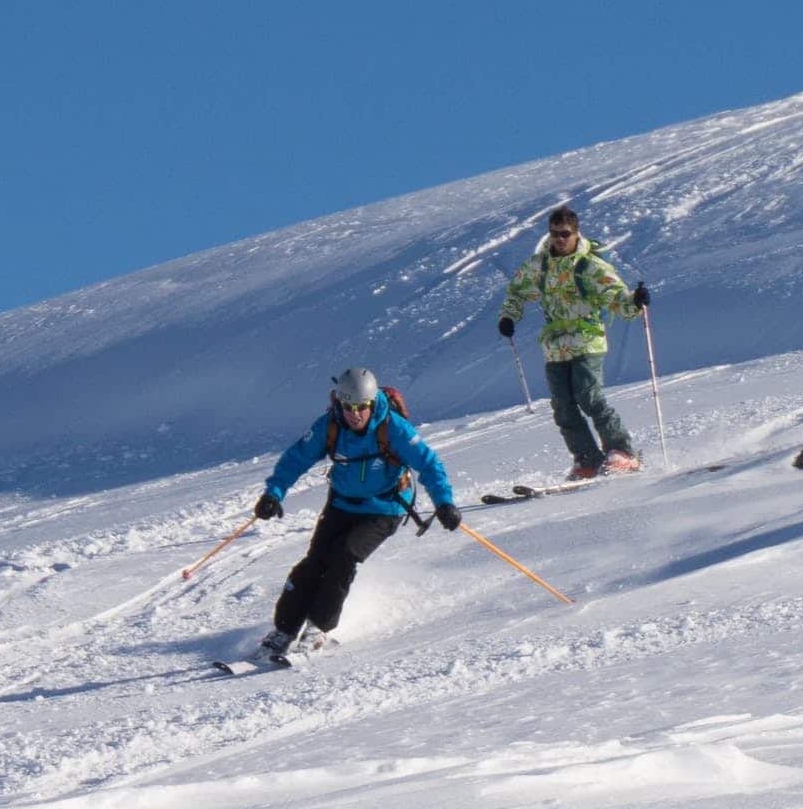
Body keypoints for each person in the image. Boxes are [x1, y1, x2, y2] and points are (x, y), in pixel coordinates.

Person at [251, 366, 460, 657]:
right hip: (342, 503)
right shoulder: (330, 425)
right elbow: (296, 458)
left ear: (372, 403)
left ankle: (318, 628)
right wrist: (274, 493)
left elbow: (429, 464)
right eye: (348, 406)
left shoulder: (393, 428)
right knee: (314, 563)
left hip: (384, 508)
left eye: (362, 407)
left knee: (344, 556)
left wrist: (444, 502)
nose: (355, 414)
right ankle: (284, 630)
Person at [497, 205, 650, 479]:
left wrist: (634, 303)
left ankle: (622, 452)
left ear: (576, 233)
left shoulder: (589, 266)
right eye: (554, 233)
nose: (559, 239)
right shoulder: (539, 266)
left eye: (565, 234)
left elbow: (615, 294)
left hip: (586, 340)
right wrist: (509, 316)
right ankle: (587, 459)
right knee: (563, 406)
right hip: (555, 345)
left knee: (588, 397)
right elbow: (517, 291)